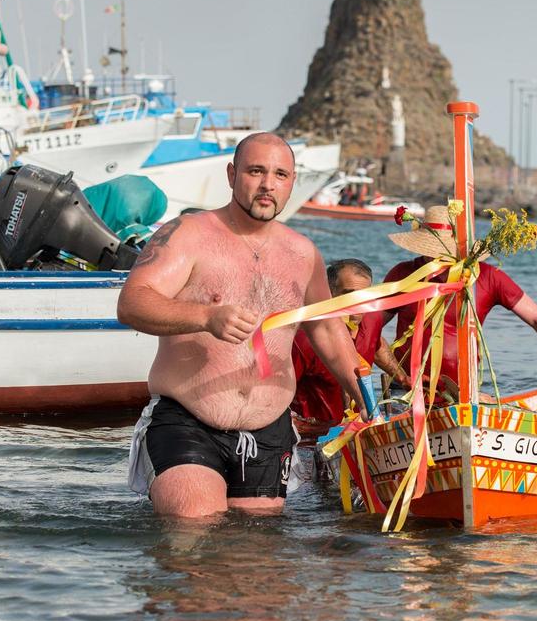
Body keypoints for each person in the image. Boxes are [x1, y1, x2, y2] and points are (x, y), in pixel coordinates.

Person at [118, 133, 363, 517]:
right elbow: (132, 302)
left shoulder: (304, 254)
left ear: (292, 182)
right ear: (232, 175)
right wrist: (204, 316)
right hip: (189, 420)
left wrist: (367, 398)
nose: (268, 184)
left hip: (270, 431)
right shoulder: (188, 234)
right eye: (256, 171)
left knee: (256, 556)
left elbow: (329, 332)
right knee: (194, 528)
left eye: (280, 174)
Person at [381, 204, 537, 395]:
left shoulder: (487, 276)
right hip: (406, 391)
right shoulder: (402, 275)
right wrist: (400, 375)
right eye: (429, 250)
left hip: (464, 392)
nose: (435, 257)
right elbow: (367, 330)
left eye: (441, 251)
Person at [290, 257, 408, 439]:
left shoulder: (372, 319)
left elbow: (375, 345)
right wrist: (291, 425)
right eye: (348, 294)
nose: (357, 303)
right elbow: (277, 391)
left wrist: (402, 377)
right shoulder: (306, 339)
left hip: (357, 427)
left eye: (364, 295)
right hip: (312, 437)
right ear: (328, 294)